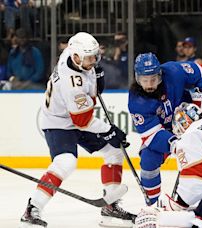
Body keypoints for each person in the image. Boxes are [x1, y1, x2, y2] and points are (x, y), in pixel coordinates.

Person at [19, 32, 135, 228]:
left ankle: (110, 208)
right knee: (66, 162)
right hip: (58, 122)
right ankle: (32, 210)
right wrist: (109, 130)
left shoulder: (74, 56)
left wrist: (95, 78)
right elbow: (82, 120)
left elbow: (88, 100)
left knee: (114, 152)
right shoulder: (71, 82)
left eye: (95, 56)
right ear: (75, 56)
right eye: (89, 58)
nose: (93, 61)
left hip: (75, 116)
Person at [128, 52, 202, 205]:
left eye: (153, 79)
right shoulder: (136, 101)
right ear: (137, 78)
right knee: (148, 159)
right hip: (164, 131)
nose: (150, 85)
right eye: (144, 80)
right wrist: (176, 144)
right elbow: (152, 135)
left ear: (160, 74)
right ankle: (153, 206)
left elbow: (201, 71)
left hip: (190, 121)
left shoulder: (174, 71)